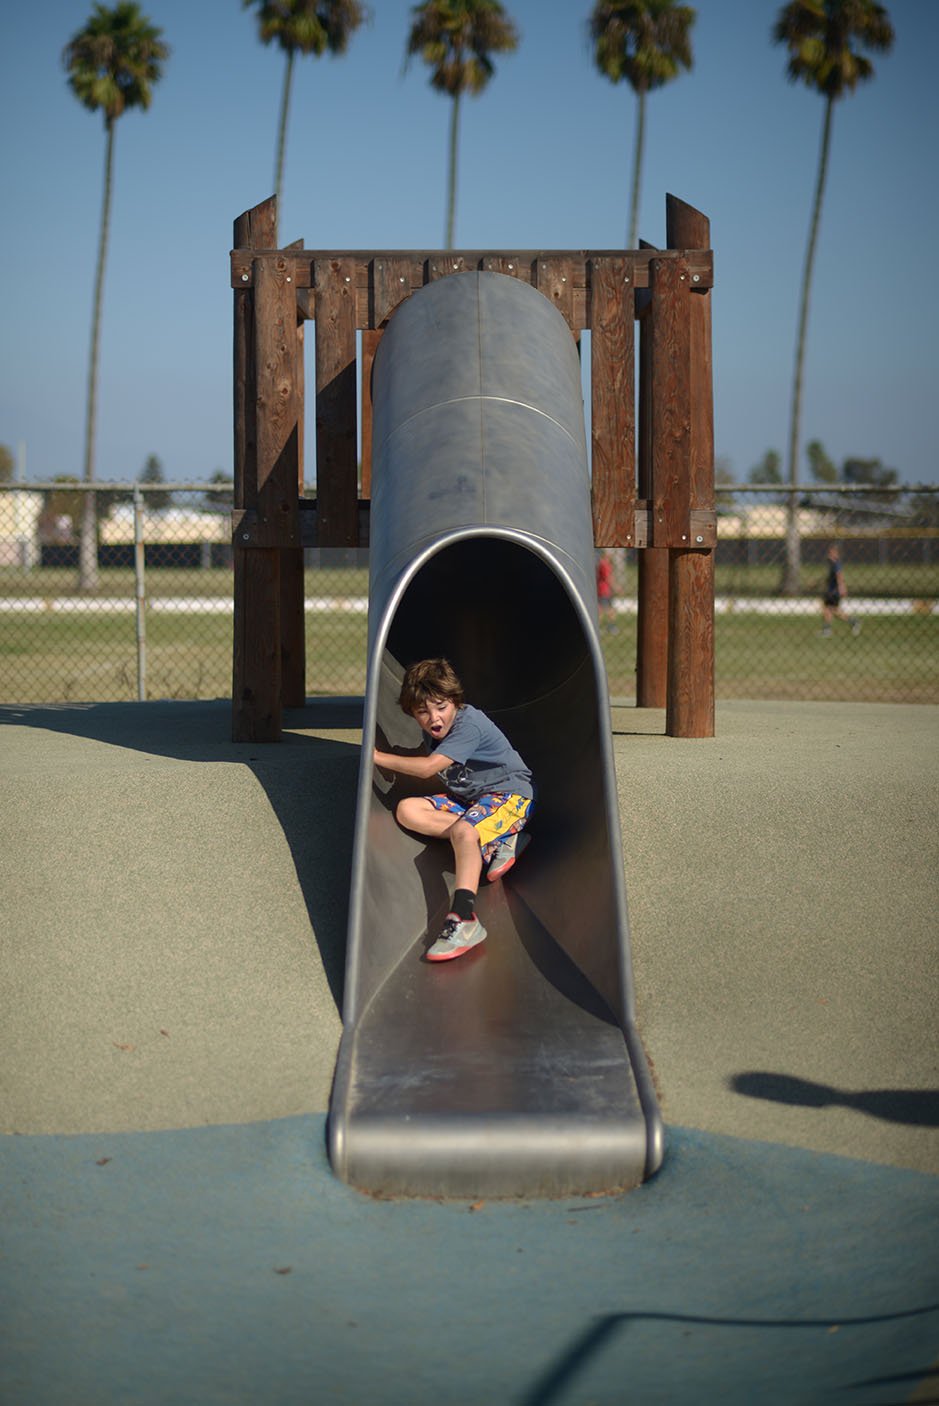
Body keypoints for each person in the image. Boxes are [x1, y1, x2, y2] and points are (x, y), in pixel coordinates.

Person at [373, 658, 534, 962]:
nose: (434, 717)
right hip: (472, 801)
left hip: (510, 797)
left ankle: (464, 919)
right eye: (423, 711)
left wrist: (378, 758)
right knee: (407, 810)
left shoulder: (468, 723)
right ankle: (497, 839)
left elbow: (428, 768)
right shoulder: (436, 730)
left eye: (440, 706)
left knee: (463, 830)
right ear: (412, 713)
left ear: (455, 702)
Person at [820, 544, 861, 637]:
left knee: (830, 610)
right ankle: (852, 622)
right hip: (831, 590)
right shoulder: (832, 563)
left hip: (834, 591)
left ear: (836, 554)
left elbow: (839, 576)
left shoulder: (836, 564)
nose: (829, 554)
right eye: (829, 552)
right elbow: (831, 577)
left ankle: (852, 622)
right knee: (830, 610)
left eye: (831, 552)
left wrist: (842, 587)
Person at [596, 550, 616, 631]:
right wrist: (615, 587)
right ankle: (610, 626)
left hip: (602, 589)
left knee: (602, 608)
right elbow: (607, 578)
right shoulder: (605, 564)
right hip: (605, 590)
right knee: (607, 609)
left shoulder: (602, 563)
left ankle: (600, 626)